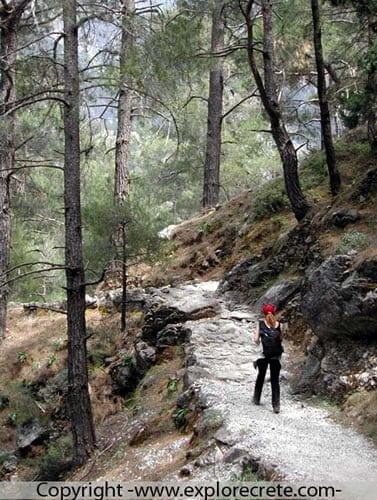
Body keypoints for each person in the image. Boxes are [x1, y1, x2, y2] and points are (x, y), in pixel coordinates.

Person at [252, 303, 284, 413]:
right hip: (275, 356)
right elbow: (281, 339)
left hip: (263, 355)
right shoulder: (280, 325)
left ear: (263, 313)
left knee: (261, 375)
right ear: (274, 313)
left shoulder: (260, 324)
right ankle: (276, 405)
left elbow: (256, 341)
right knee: (275, 380)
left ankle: (256, 398)